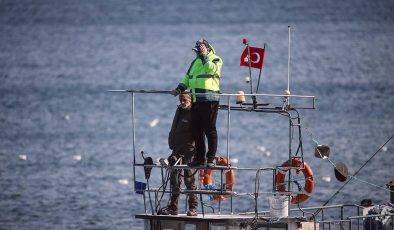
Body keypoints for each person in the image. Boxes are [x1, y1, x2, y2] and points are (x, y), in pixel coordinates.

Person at [171, 38, 223, 168]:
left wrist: (204, 55)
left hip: (209, 99)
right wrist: (179, 89)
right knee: (196, 130)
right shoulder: (195, 62)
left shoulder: (216, 59)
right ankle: (200, 158)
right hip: (196, 99)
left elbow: (211, 70)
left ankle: (210, 158)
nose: (197, 53)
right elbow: (187, 78)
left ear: (207, 49)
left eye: (199, 50)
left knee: (209, 130)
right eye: (196, 51)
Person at [158, 93, 198, 216]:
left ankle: (193, 208)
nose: (182, 102)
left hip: (189, 152)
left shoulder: (194, 113)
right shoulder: (179, 110)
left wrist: (198, 152)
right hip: (176, 150)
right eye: (181, 99)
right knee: (174, 180)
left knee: (190, 181)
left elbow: (199, 134)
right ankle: (173, 208)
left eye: (184, 99)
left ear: (190, 100)